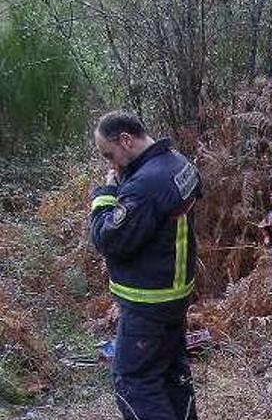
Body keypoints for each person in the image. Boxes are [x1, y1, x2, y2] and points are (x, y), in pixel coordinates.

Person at [89, 111, 200, 420]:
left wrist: (106, 195)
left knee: (133, 384)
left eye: (109, 155)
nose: (111, 164)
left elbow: (106, 239)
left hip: (147, 302)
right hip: (174, 296)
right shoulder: (179, 163)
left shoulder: (145, 186)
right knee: (172, 377)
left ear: (126, 140)